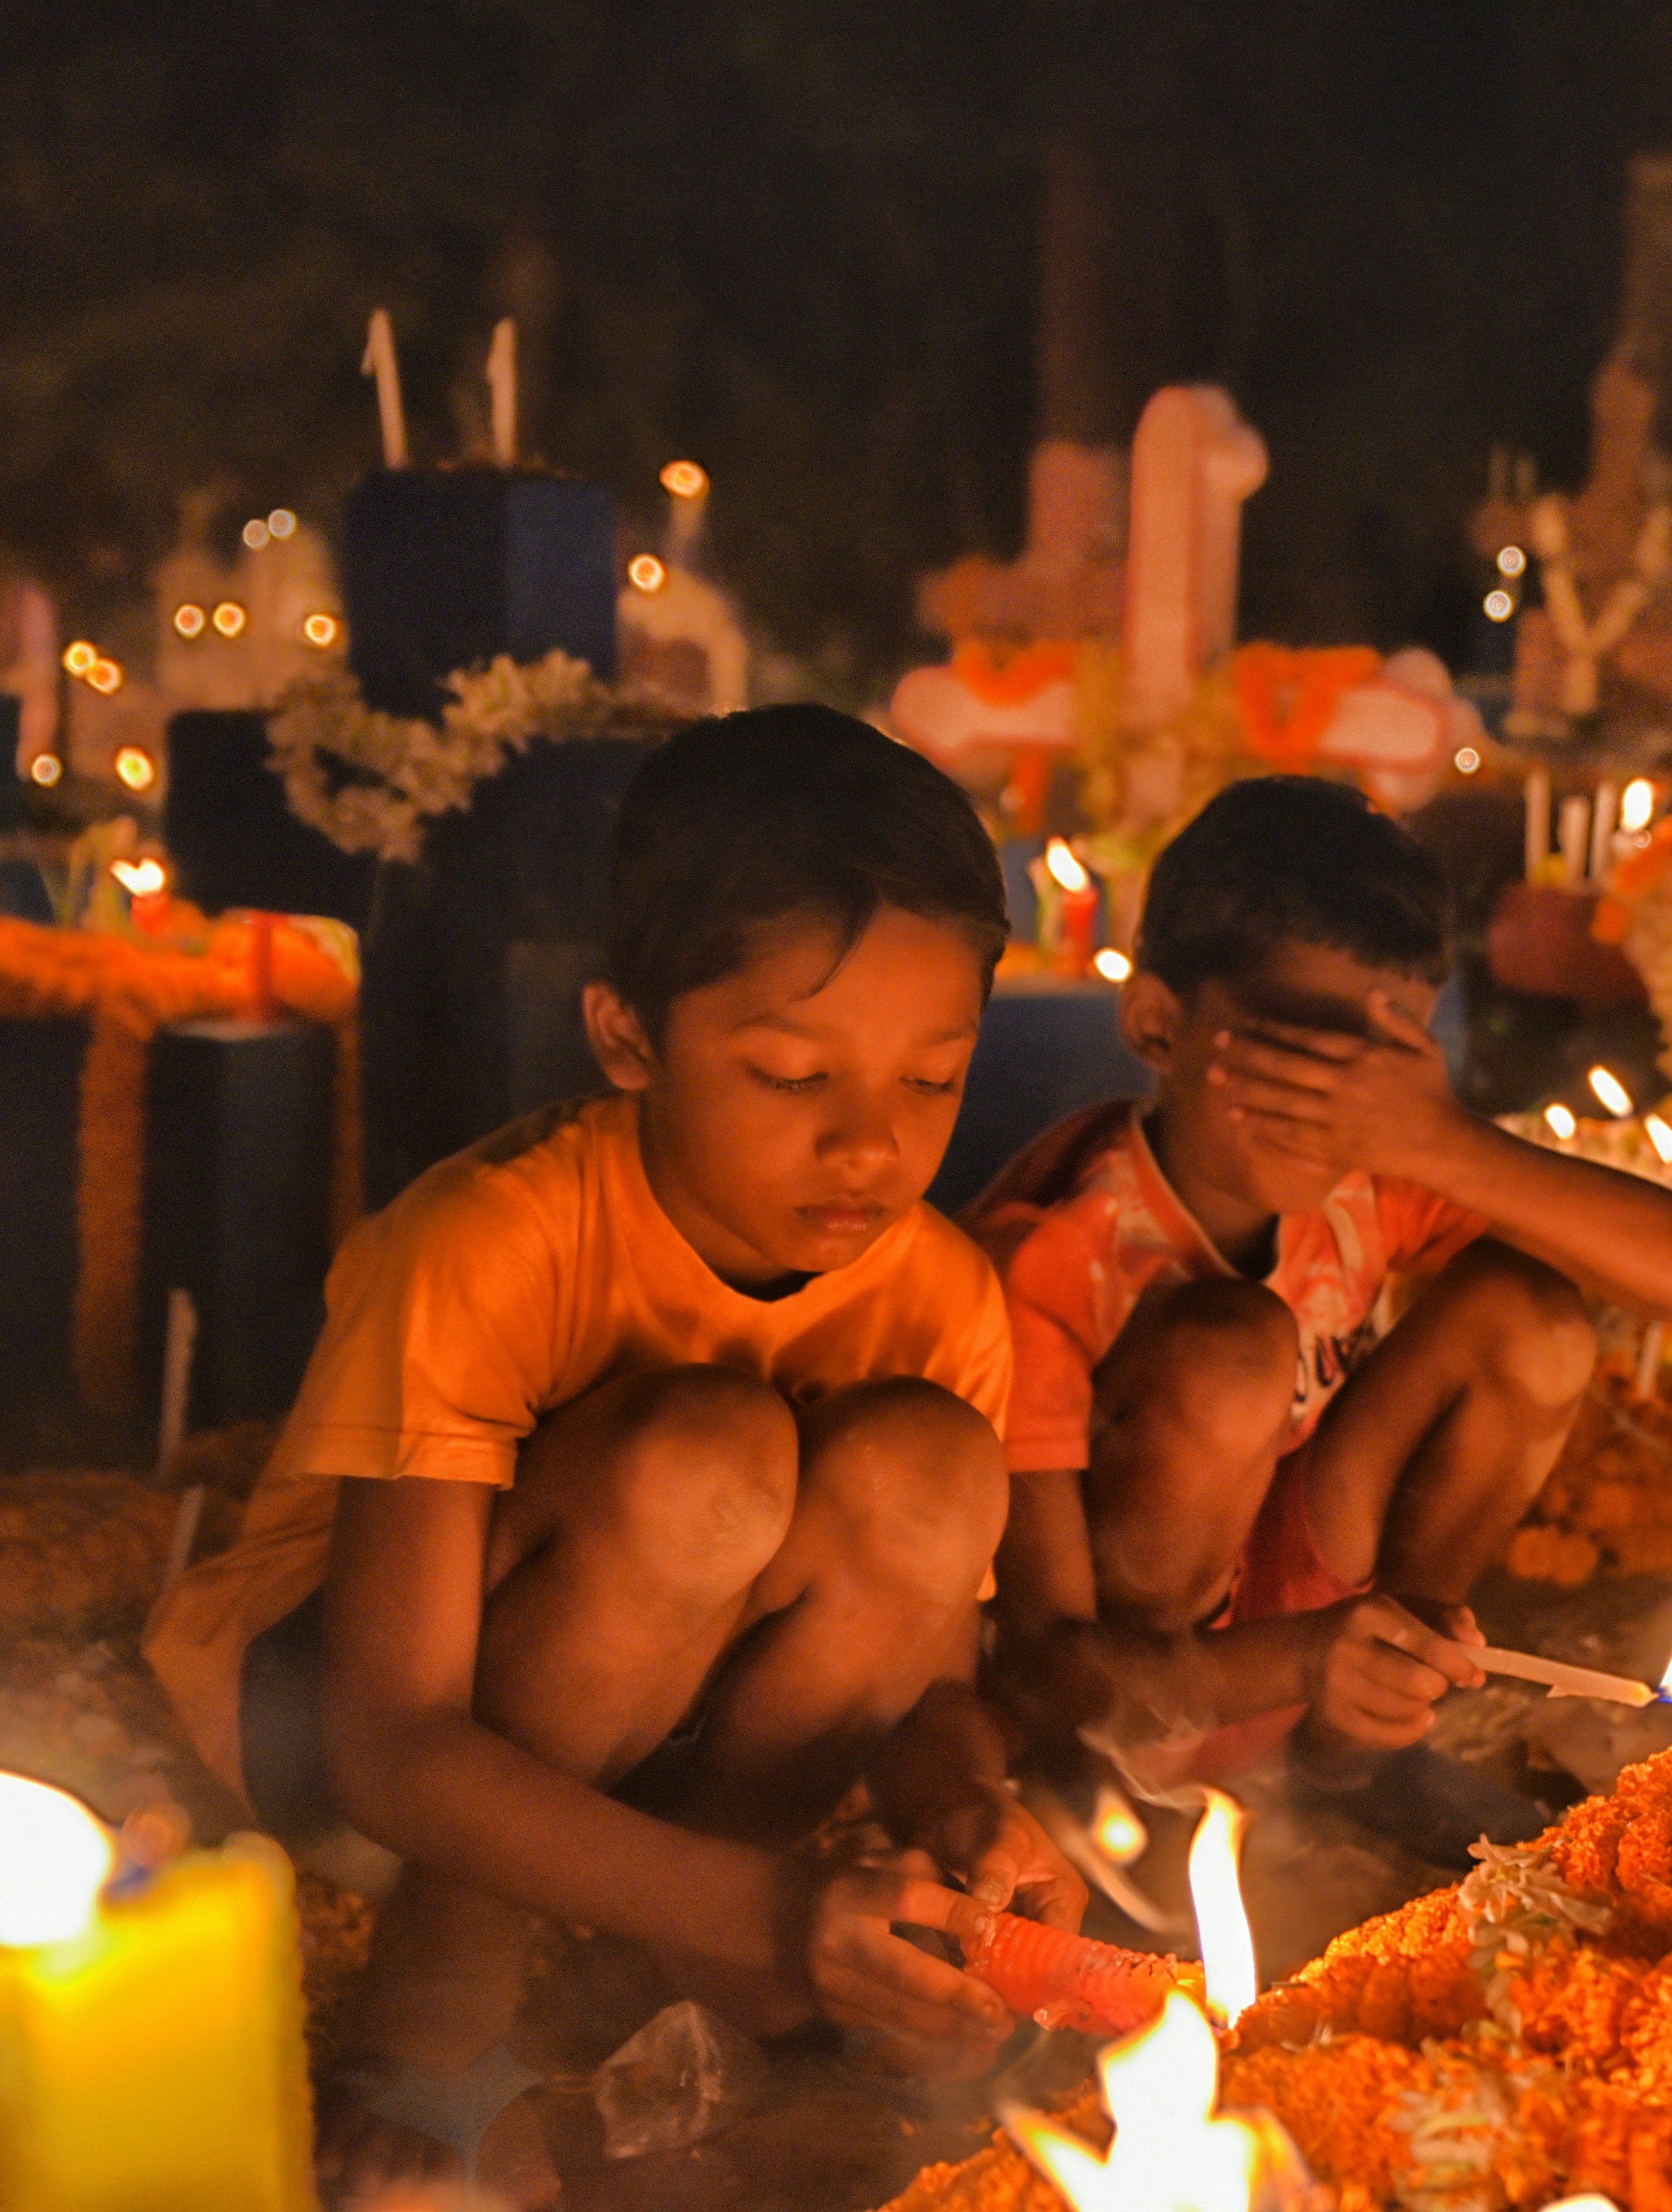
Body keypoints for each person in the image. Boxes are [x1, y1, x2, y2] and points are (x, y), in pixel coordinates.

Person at [145, 705, 1081, 2204]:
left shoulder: (941, 1295)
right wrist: (783, 1910)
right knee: (709, 1454)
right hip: (346, 1736)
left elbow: (932, 1690)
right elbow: (389, 1739)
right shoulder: (492, 1241)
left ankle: (658, 1936)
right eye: (791, 1077)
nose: (870, 1149)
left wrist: (964, 1806)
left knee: (933, 1462)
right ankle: (446, 1982)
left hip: (667, 1775)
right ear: (626, 1035)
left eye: (931, 1080)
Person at [971, 776, 1672, 1856]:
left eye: (1380, 1069)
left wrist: (1439, 1142)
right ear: (1158, 1022)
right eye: (1300, 1054)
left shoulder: (1374, 1176)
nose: (1339, 1107)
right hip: (1127, 1681)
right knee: (1236, 1347)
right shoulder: (1056, 1253)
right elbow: (1041, 1657)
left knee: (1531, 1315)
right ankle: (1141, 1803)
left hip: (1307, 1626)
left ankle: (1361, 1746)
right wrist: (1300, 1657)